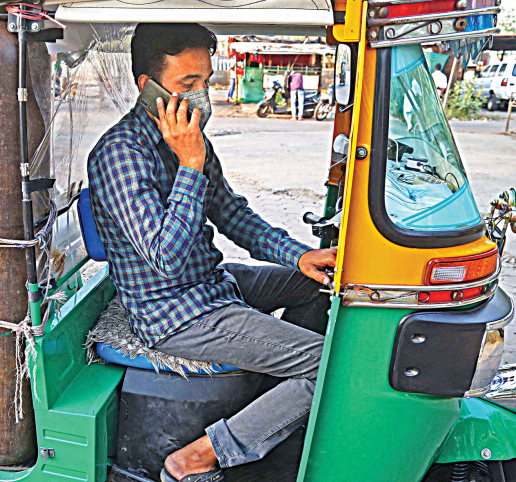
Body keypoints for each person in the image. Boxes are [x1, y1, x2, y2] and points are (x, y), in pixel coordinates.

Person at [87, 23, 336, 482]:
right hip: (175, 312)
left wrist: (297, 255)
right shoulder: (120, 155)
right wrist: (190, 164)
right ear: (148, 87)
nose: (203, 95)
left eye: (206, 82)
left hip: (212, 286)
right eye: (188, 84)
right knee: (333, 363)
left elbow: (232, 215)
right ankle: (200, 456)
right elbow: (168, 257)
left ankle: (277, 394)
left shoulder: (189, 139)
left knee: (321, 286)